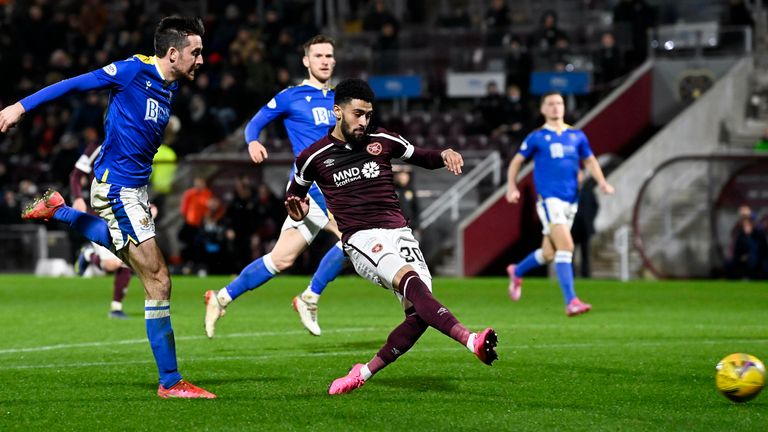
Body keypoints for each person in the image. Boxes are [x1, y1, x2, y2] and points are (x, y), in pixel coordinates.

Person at [0, 16, 215, 399]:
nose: (201, 59)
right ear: (172, 52)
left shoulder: (169, 87)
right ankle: (170, 382)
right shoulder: (133, 70)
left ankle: (58, 210)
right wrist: (21, 106)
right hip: (118, 190)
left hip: (133, 191)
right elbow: (75, 83)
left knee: (129, 258)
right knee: (158, 279)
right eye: (195, 52)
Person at [285, 78, 498, 395]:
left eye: (368, 114)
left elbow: (421, 156)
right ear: (337, 112)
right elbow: (295, 197)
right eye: (358, 113)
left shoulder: (382, 139)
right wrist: (296, 212)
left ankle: (362, 373)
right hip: (361, 238)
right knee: (411, 281)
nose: (364, 121)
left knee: (421, 313)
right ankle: (471, 339)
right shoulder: (313, 157)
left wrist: (444, 154)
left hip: (400, 233)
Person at [204, 35, 346, 338]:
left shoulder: (340, 99)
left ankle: (221, 297)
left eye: (329, 56)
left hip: (335, 185)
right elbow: (254, 124)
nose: (325, 61)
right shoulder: (291, 96)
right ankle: (310, 297)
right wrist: (252, 141)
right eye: (318, 55)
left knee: (280, 259)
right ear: (306, 61)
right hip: (311, 187)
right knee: (354, 238)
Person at [505, 92, 614, 316]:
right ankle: (571, 301)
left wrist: (602, 182)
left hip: (571, 200)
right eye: (550, 104)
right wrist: (511, 186)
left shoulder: (577, 136)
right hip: (549, 199)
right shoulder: (537, 137)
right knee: (566, 247)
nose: (556, 107)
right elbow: (516, 161)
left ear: (564, 107)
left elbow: (590, 160)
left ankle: (517, 271)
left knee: (548, 253)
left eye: (559, 103)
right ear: (543, 109)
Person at [69, 140, 134, 319]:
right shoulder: (97, 147)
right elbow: (75, 175)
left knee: (128, 259)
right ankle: (88, 254)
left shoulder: (132, 146)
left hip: (123, 213)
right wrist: (78, 198)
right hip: (99, 213)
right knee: (111, 265)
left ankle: (116, 307)